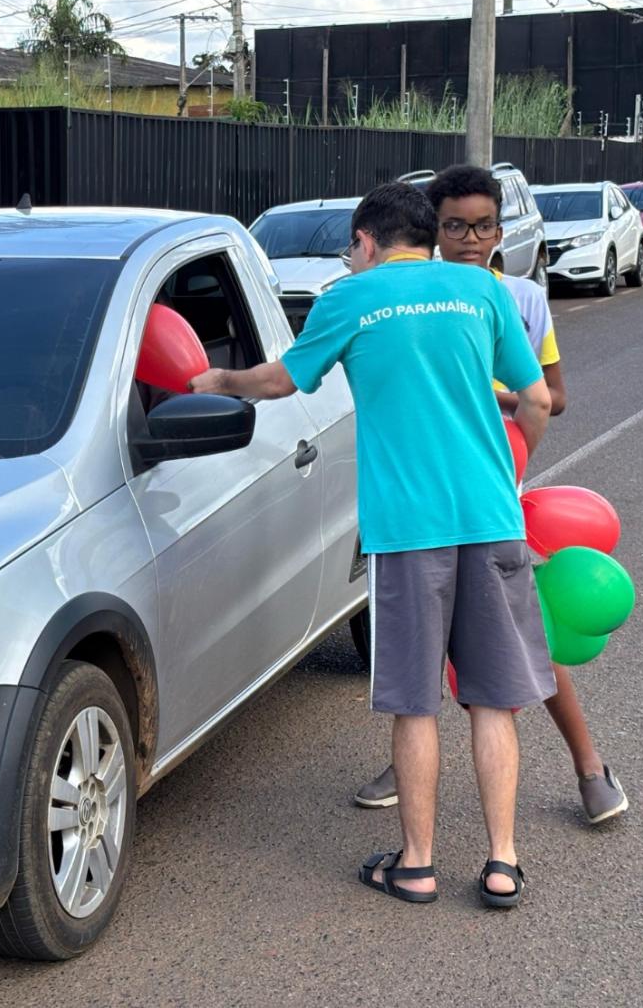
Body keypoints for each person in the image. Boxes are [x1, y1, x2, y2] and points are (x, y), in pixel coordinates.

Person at [189, 182, 552, 907]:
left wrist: (216, 378)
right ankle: (503, 861)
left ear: (365, 242)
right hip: (489, 518)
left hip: (407, 530)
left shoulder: (349, 300)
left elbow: (280, 381)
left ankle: (416, 863)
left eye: (350, 252)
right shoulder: (481, 292)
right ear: (426, 233)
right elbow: (536, 397)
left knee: (415, 703)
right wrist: (507, 476)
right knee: (493, 701)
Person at [351, 165, 628, 826]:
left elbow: (552, 396)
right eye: (454, 225)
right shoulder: (412, 292)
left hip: (494, 492)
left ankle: (589, 765)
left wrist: (488, 399)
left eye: (481, 226)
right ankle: (412, 765)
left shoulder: (523, 299)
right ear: (431, 230)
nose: (469, 238)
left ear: (501, 231)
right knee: (426, 647)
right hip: (422, 493)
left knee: (521, 645)